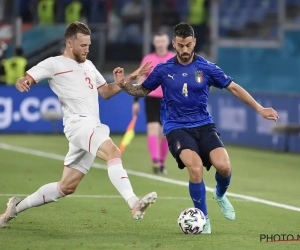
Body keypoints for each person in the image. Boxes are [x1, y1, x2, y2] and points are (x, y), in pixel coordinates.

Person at [117, 22, 279, 234]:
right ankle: (204, 218)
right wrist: (124, 85)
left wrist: (259, 108)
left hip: (204, 125)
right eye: (180, 45)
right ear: (174, 43)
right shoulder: (163, 70)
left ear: (194, 42)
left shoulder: (208, 68)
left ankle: (220, 195)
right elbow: (141, 91)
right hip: (177, 128)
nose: (184, 50)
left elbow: (234, 88)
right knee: (195, 168)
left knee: (225, 166)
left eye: (188, 45)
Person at [0, 21, 157, 228]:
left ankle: (13, 209)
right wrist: (23, 81)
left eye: (88, 45)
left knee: (66, 187)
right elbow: (27, 77)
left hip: (89, 126)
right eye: (83, 46)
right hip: (78, 124)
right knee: (114, 153)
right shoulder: (54, 63)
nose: (87, 49)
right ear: (69, 43)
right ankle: (133, 202)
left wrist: (124, 81)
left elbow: (105, 92)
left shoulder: (89, 65)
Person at [132, 32, 175, 174]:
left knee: (164, 133)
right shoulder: (148, 59)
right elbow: (141, 80)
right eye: (158, 41)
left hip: (169, 100)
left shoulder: (174, 59)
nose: (161, 44)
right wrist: (136, 100)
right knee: (152, 129)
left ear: (168, 42)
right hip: (151, 99)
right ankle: (155, 161)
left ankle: (162, 163)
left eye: (163, 41)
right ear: (154, 43)